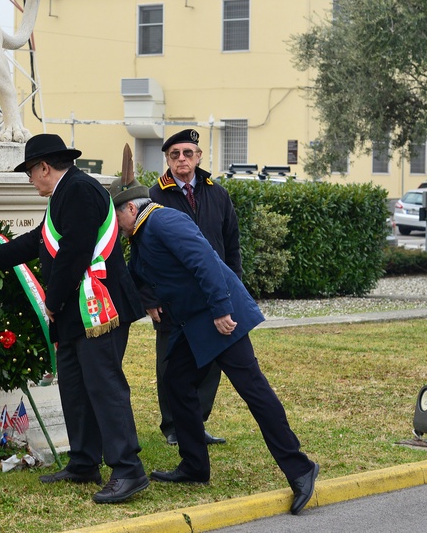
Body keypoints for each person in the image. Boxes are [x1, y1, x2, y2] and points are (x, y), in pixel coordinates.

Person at [108, 169, 319, 516]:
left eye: (116, 217)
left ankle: (300, 468)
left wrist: (222, 309)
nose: (115, 227)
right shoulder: (143, 234)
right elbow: (139, 278)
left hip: (222, 319)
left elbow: (204, 260)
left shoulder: (163, 222)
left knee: (254, 391)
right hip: (196, 325)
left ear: (130, 208)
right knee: (176, 380)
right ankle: (194, 465)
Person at [0, 134, 149, 504]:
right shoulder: (66, 192)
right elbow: (38, 241)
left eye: (30, 172)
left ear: (45, 167)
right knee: (76, 388)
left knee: (105, 388)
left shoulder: (78, 190)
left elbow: (74, 253)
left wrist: (53, 302)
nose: (30, 180)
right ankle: (84, 462)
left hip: (98, 308)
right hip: (79, 312)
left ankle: (128, 470)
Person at [148, 128, 240, 447]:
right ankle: (174, 425)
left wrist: (234, 290)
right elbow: (141, 250)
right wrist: (150, 297)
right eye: (175, 155)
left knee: (210, 359)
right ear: (168, 160)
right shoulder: (154, 195)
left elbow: (232, 244)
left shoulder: (217, 194)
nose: (182, 159)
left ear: (199, 157)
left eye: (188, 153)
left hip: (213, 294)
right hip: (173, 297)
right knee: (171, 362)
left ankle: (197, 422)